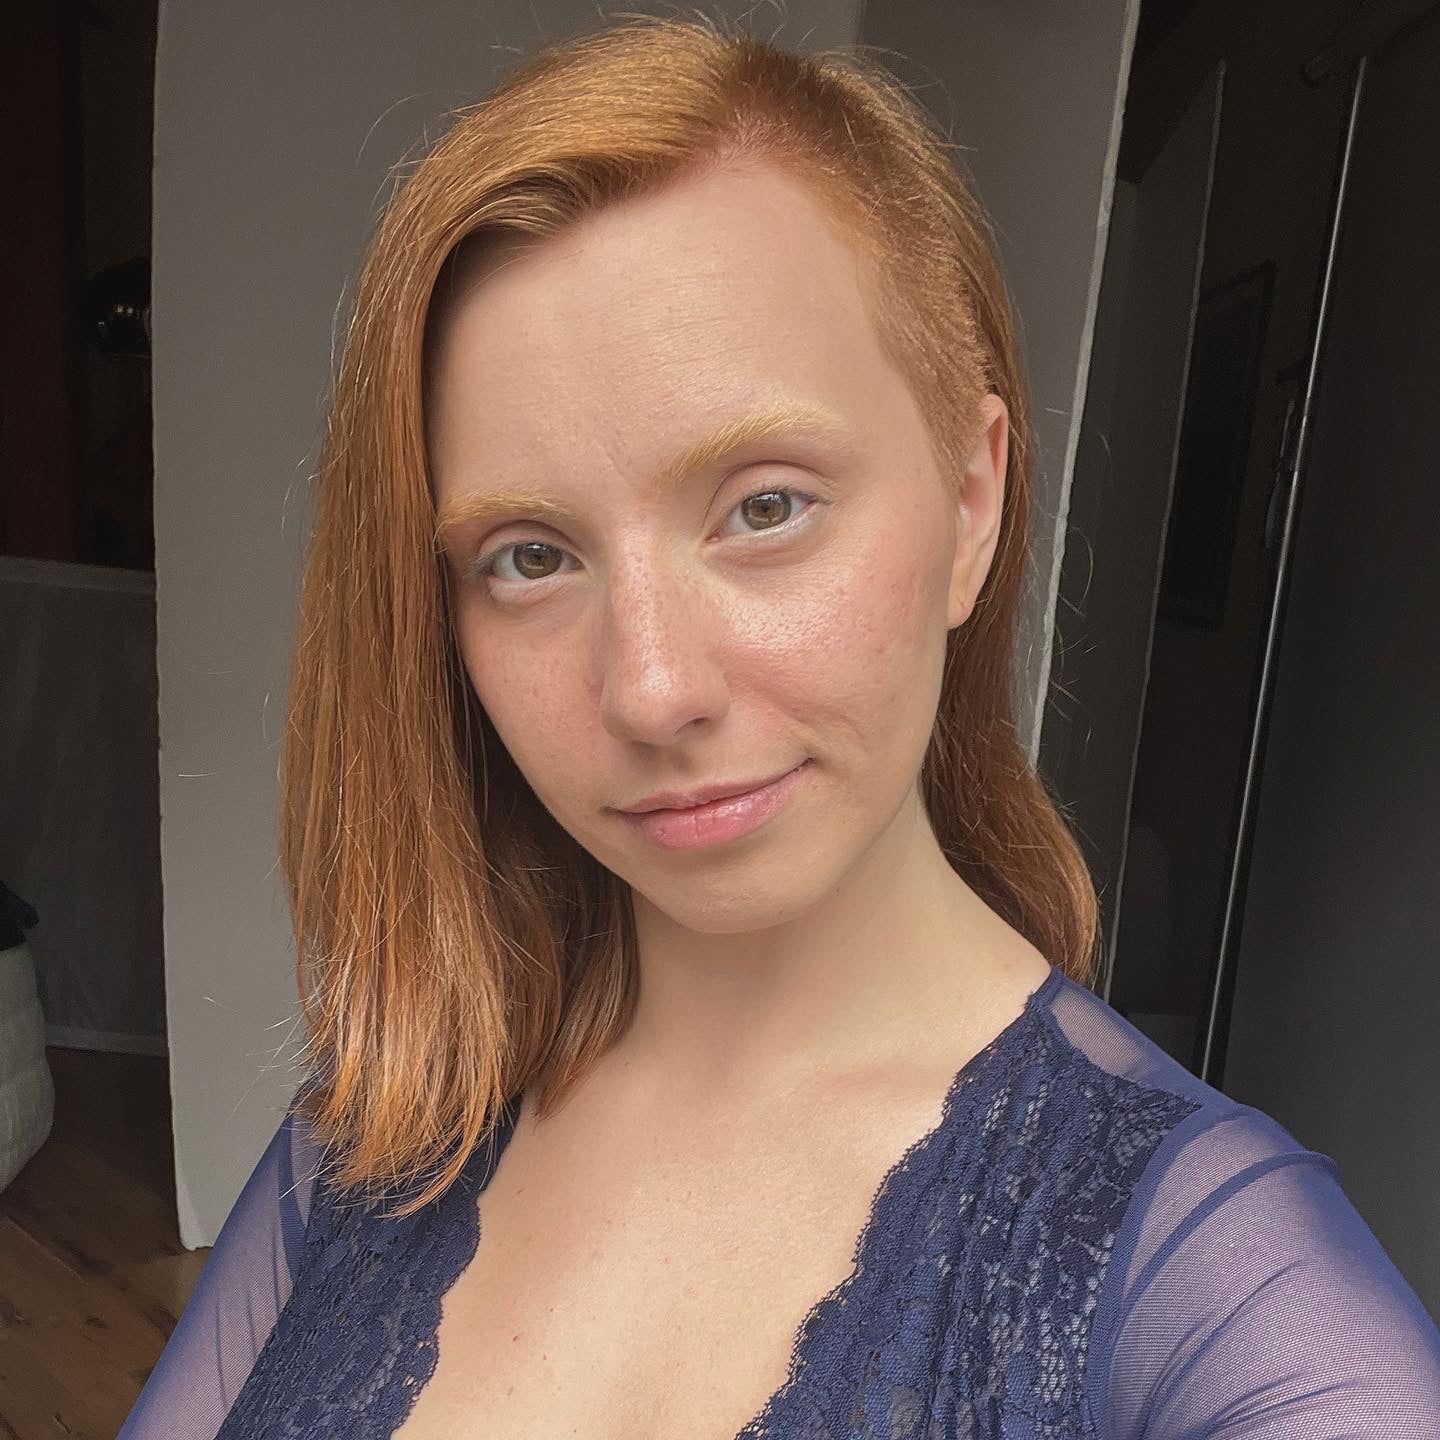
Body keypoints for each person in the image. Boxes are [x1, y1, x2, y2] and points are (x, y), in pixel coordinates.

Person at [117, 13, 1440, 1439]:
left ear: (972, 502)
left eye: (765, 507)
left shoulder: (1218, 1289)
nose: (650, 690)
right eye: (530, 556)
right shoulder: (373, 1143)